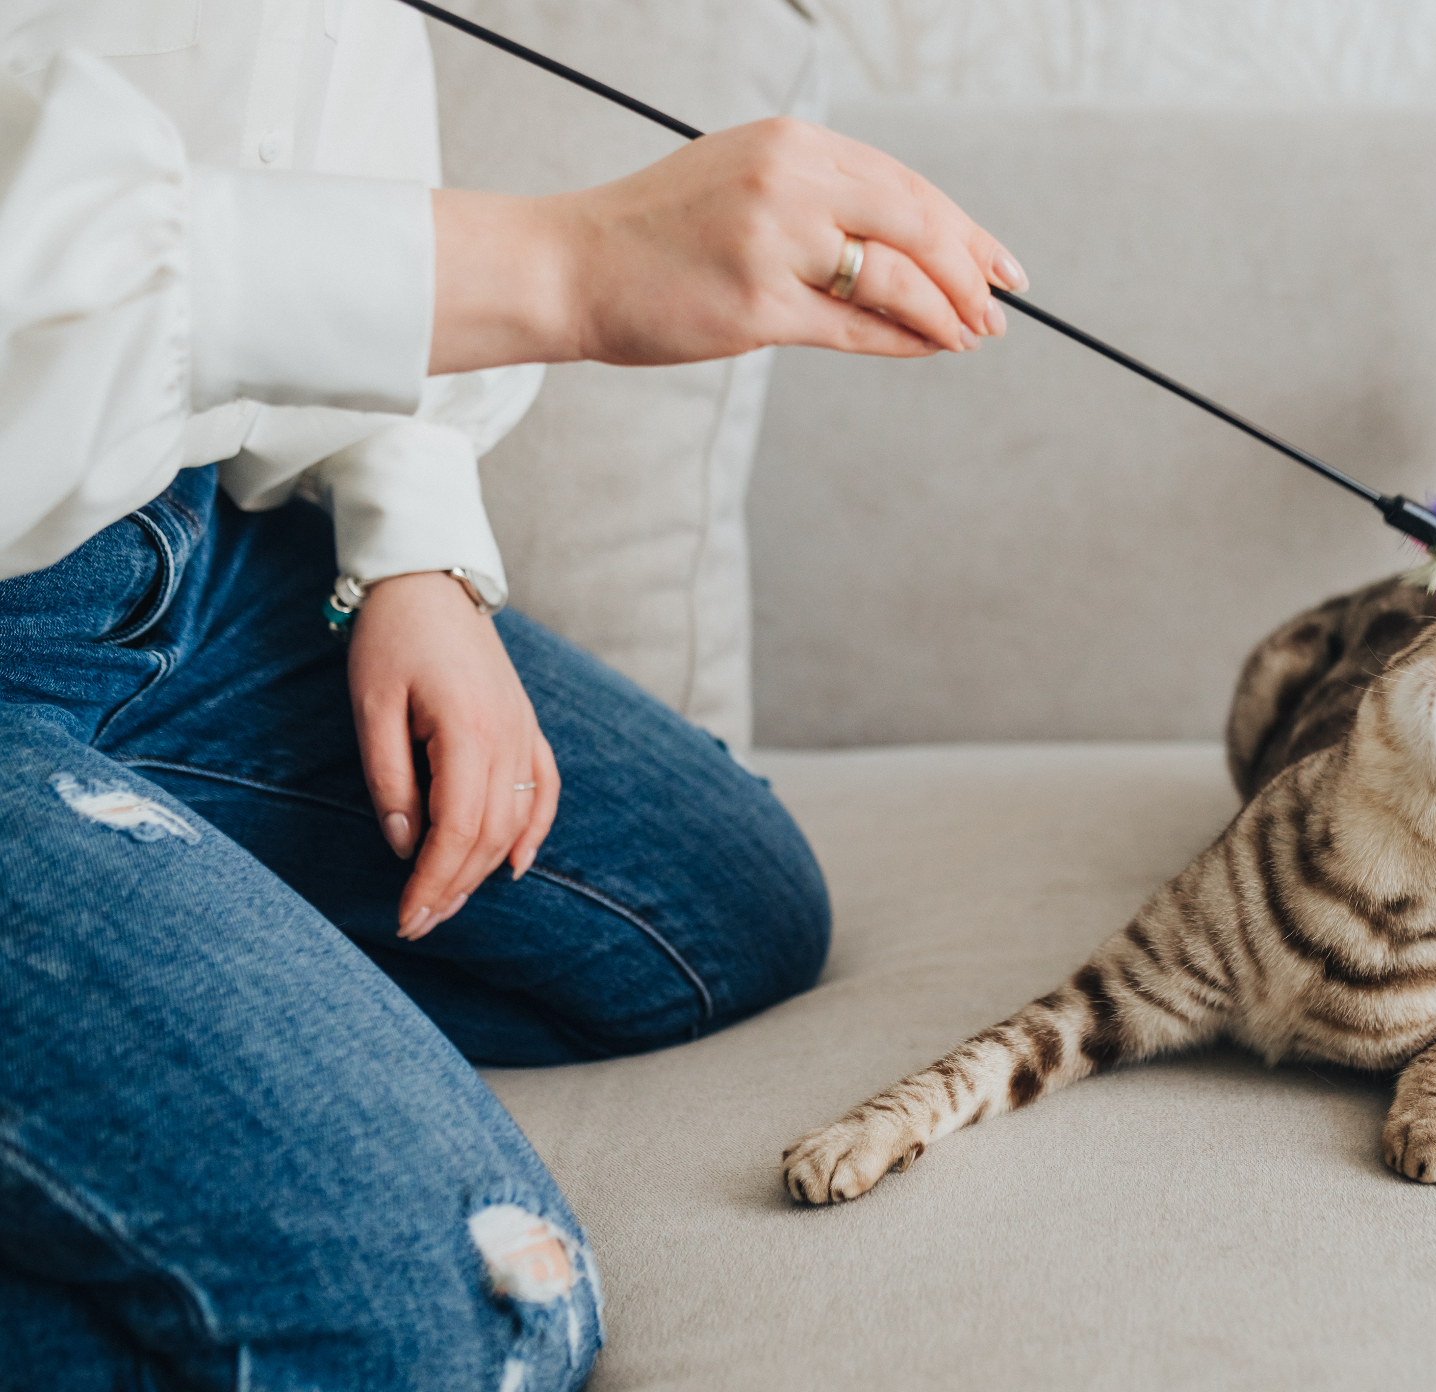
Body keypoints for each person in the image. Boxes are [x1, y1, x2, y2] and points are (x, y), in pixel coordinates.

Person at [0, 4, 1025, 1387]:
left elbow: (311, 144)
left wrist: (409, 542)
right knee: (460, 1327)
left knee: (713, 915)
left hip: (171, 553)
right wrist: (573, 264)